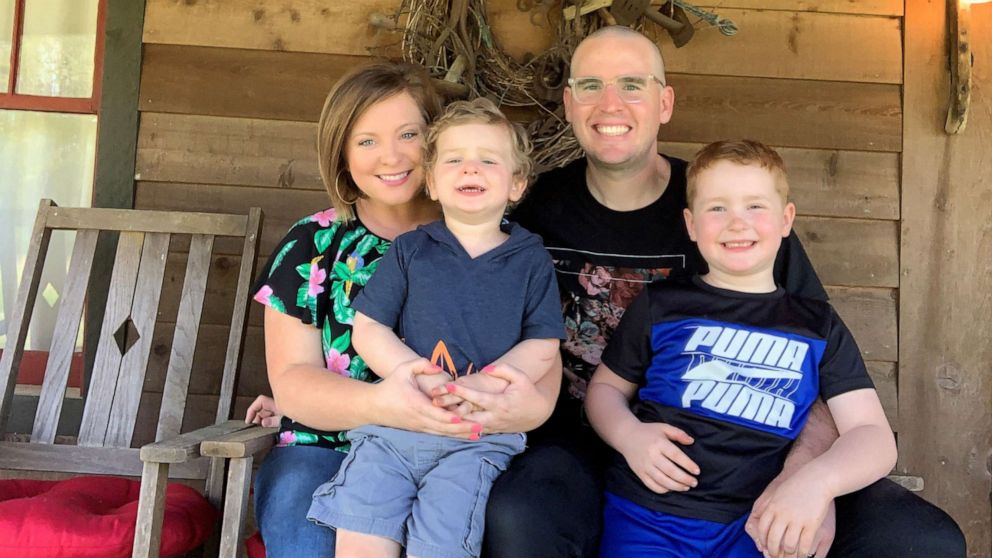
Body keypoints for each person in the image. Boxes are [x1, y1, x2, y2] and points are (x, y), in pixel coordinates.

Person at [478, 25, 965, 558]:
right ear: (569, 103)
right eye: (591, 85)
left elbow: (813, 357)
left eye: (632, 84)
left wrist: (809, 479)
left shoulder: (725, 202)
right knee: (518, 514)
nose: (610, 103)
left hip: (754, 455)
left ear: (665, 102)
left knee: (923, 541)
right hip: (586, 448)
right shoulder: (531, 211)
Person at [247, 64, 559, 558]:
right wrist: (386, 405)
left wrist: (515, 408)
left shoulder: (490, 237)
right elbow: (293, 381)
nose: (391, 155)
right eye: (366, 140)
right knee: (303, 520)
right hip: (326, 446)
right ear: (342, 155)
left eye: (409, 134)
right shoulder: (312, 243)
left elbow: (542, 367)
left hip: (465, 440)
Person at [585, 139, 897, 557]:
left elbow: (873, 436)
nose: (737, 223)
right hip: (650, 516)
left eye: (755, 206)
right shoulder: (662, 306)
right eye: (717, 208)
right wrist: (629, 436)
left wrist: (816, 483)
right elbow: (604, 390)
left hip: (762, 522)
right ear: (691, 224)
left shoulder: (816, 324)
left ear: (787, 219)